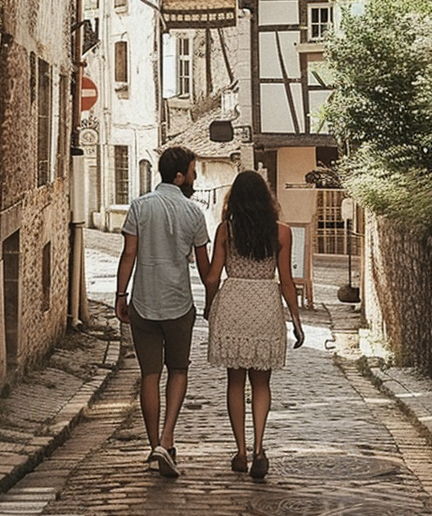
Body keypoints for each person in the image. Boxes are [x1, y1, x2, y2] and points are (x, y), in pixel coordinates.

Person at [115, 146, 211, 478]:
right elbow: (203, 267)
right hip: (178, 304)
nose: (195, 178)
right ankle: (168, 438)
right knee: (179, 371)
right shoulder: (195, 213)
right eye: (193, 172)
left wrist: (120, 294)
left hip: (143, 302)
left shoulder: (139, 207)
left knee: (150, 375)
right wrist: (212, 299)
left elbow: (129, 254)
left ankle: (154, 442)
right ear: (179, 176)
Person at [204, 170, 304, 480]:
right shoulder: (282, 233)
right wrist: (296, 321)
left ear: (235, 199)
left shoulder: (226, 231)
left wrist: (209, 306)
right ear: (266, 199)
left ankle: (241, 452)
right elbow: (286, 282)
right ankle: (260, 448)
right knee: (262, 384)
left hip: (233, 302)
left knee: (235, 382)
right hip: (265, 305)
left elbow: (212, 277)